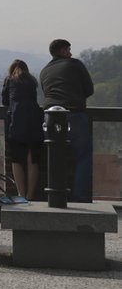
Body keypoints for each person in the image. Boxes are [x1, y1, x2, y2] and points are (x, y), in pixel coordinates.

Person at [39, 39, 94, 202]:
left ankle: (54, 196)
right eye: (68, 50)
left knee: (55, 155)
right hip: (74, 114)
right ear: (63, 51)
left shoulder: (44, 70)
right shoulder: (74, 64)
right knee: (83, 156)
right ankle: (79, 196)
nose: (70, 53)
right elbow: (89, 89)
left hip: (49, 117)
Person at [2, 60, 44, 200]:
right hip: (35, 121)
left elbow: (5, 101)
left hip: (17, 122)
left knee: (16, 160)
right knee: (32, 159)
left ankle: (21, 194)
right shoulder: (32, 81)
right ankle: (30, 195)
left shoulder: (9, 80)